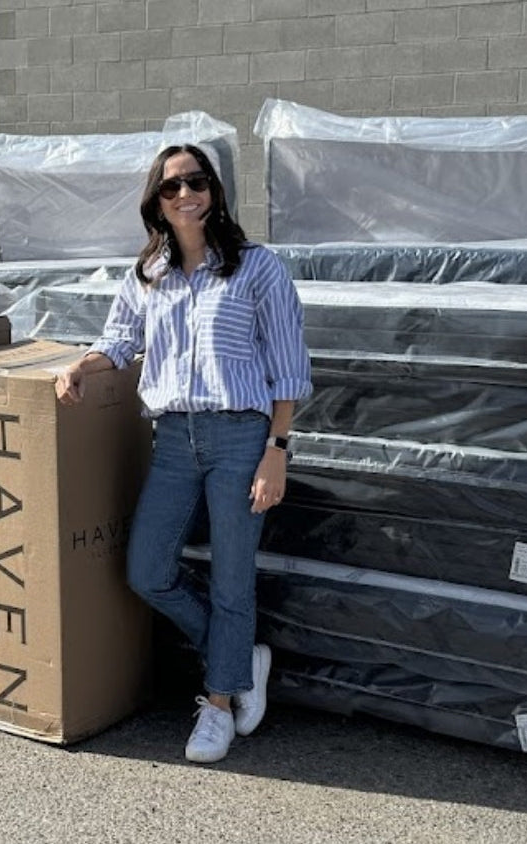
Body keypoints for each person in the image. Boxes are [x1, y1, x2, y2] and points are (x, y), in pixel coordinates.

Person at [55, 144, 312, 764]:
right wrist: (80, 365)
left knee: (231, 577)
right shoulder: (150, 274)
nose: (184, 194)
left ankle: (219, 704)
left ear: (214, 191)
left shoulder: (257, 268)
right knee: (147, 569)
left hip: (240, 436)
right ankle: (240, 655)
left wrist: (276, 450)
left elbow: (289, 370)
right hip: (173, 439)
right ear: (158, 203)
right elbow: (120, 339)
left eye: (195, 182)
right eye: (171, 187)